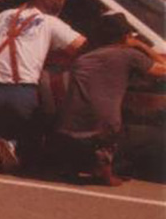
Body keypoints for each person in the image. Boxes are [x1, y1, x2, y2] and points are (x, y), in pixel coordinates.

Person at [0, 0, 86, 179]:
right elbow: (80, 45)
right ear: (55, 7)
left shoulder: (4, 15)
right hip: (20, 93)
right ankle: (10, 146)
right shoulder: (49, 21)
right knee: (35, 126)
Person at [51, 13, 166, 184]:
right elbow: (164, 69)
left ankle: (83, 162)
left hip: (68, 126)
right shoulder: (128, 55)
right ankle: (108, 166)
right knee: (156, 136)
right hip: (102, 129)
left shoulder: (83, 57)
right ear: (125, 36)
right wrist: (140, 45)